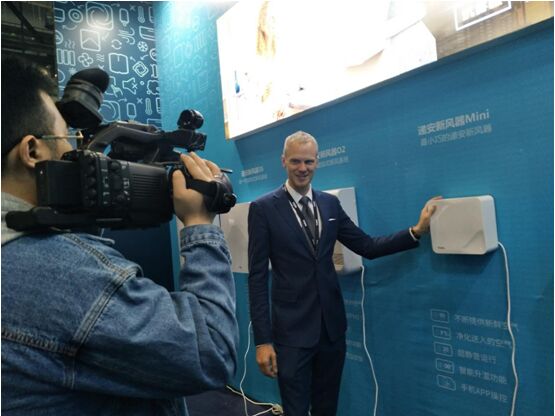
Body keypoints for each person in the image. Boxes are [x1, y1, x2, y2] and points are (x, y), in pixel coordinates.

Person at [1, 58, 238, 415]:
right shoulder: (68, 276)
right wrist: (199, 225)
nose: (76, 151)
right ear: (32, 151)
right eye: (67, 138)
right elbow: (211, 352)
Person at [247, 130, 439, 416]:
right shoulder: (263, 208)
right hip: (291, 333)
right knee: (295, 410)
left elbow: (367, 246)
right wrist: (263, 341)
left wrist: (416, 231)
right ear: (283, 161)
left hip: (331, 329)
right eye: (296, 161)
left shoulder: (330, 204)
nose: (303, 168)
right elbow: (257, 278)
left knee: (327, 408)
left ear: (317, 161)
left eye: (309, 161)